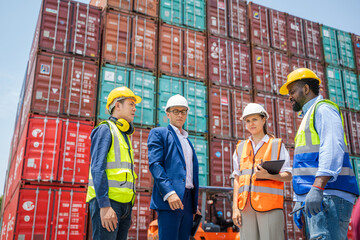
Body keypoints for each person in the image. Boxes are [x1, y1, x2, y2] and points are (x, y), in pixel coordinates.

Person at [279, 68, 359, 239]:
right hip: (317, 196)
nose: (289, 96)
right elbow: (307, 164)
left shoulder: (323, 109)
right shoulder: (309, 115)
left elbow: (332, 148)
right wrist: (300, 198)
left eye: (292, 91)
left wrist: (317, 187)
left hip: (328, 194)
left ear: (306, 89)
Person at [86, 86, 142, 240]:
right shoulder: (106, 129)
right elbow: (97, 168)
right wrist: (104, 205)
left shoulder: (123, 134)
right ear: (118, 105)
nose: (134, 109)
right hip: (108, 203)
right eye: (131, 104)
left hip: (124, 205)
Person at [232, 103, 292, 240]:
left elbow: (288, 175)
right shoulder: (240, 147)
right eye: (247, 121)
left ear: (264, 120)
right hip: (245, 207)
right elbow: (237, 179)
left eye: (254, 119)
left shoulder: (276, 145)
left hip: (270, 206)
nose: (251, 124)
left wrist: (268, 175)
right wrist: (235, 208)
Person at [148, 94, 200, 240]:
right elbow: (155, 165)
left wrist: (194, 202)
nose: (180, 115)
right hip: (170, 199)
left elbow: (188, 174)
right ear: (168, 113)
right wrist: (169, 193)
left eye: (183, 111)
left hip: (188, 201)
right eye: (176, 111)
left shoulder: (187, 141)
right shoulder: (159, 133)